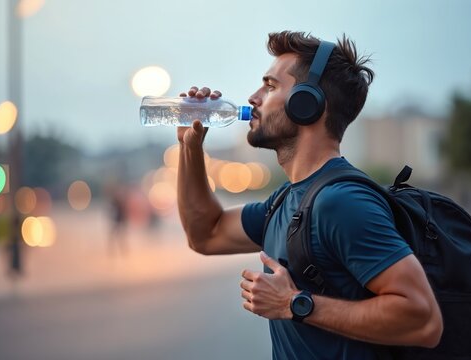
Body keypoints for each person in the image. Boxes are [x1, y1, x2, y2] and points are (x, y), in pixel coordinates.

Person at [176, 31, 443, 359]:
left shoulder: (340, 203)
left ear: (307, 102)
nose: (253, 97)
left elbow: (423, 319)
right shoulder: (287, 200)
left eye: (271, 86)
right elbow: (205, 233)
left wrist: (293, 304)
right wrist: (190, 147)